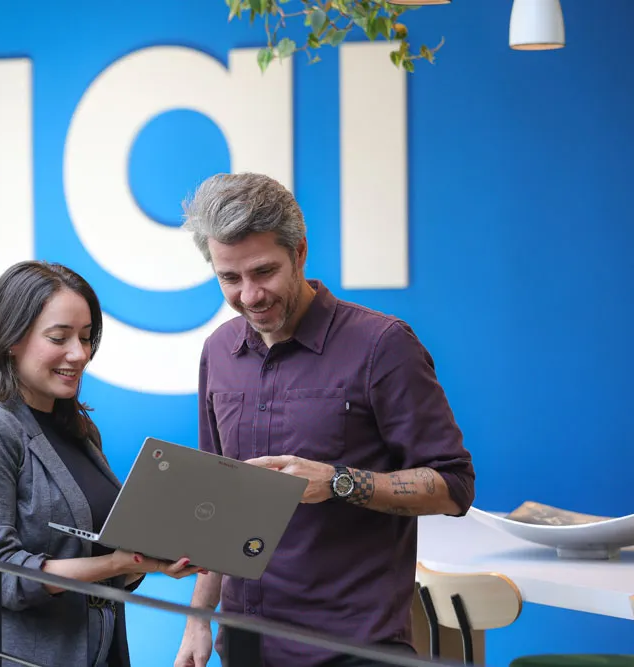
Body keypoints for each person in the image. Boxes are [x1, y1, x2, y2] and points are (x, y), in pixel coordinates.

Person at [172, 173, 476, 667]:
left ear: (300, 253)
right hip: (245, 646)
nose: (250, 296)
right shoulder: (218, 353)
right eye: (230, 278)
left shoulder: (383, 345)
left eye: (264, 271)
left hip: (353, 650)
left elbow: (454, 486)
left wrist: (336, 482)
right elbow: (219, 504)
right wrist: (197, 620)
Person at [0, 260, 201, 667]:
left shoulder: (80, 432)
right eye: (59, 337)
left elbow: (97, 567)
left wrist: (147, 562)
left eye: (87, 337)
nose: (79, 354)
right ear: (11, 340)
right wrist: (113, 563)